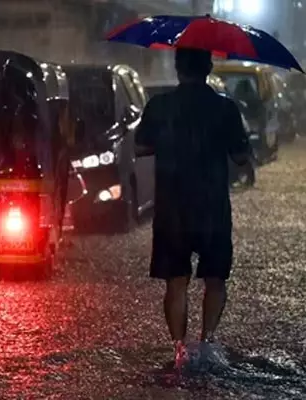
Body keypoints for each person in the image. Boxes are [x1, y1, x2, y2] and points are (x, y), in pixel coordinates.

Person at [135, 48, 251, 371]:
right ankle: (208, 342)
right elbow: (241, 157)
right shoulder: (225, 109)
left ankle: (179, 351)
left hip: (173, 207)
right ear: (209, 68)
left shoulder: (160, 106)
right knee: (215, 278)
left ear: (177, 68)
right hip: (213, 207)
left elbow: (141, 146)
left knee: (176, 280)